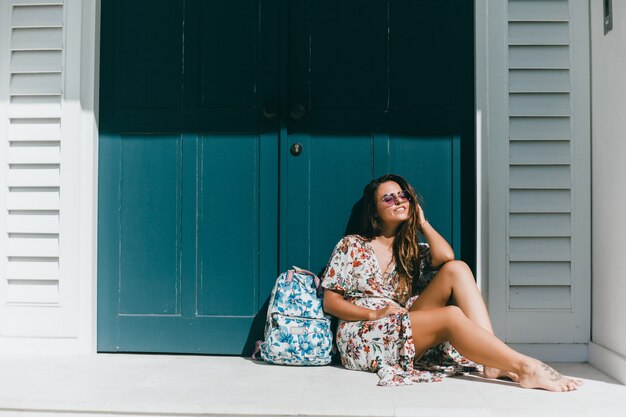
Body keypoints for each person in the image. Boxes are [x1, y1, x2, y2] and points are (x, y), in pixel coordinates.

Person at [321, 173, 582, 391]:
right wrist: (375, 312)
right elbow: (331, 302)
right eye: (388, 198)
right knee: (451, 316)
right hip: (365, 332)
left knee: (457, 269)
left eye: (404, 196)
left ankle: (494, 362)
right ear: (374, 212)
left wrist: (422, 222)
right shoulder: (352, 245)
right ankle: (527, 367)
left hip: (402, 322)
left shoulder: (411, 250)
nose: (399, 201)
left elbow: (447, 257)